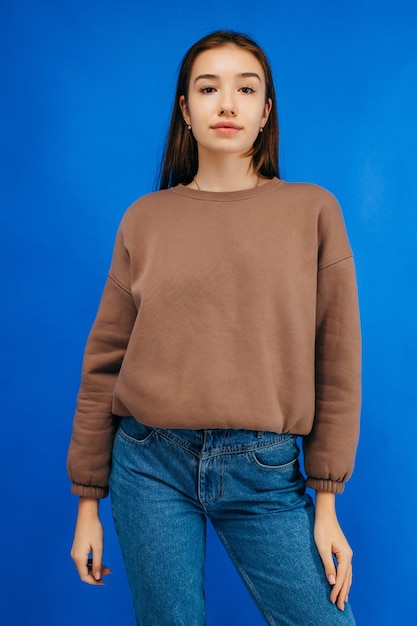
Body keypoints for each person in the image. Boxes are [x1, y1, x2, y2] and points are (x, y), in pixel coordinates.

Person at [68, 30, 361, 626]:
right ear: (185, 108)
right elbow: (104, 362)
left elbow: (336, 361)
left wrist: (326, 502)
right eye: (208, 88)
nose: (227, 104)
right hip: (149, 461)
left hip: (266, 469)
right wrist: (87, 504)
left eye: (245, 89)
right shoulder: (145, 219)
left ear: (265, 111)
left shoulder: (313, 211)